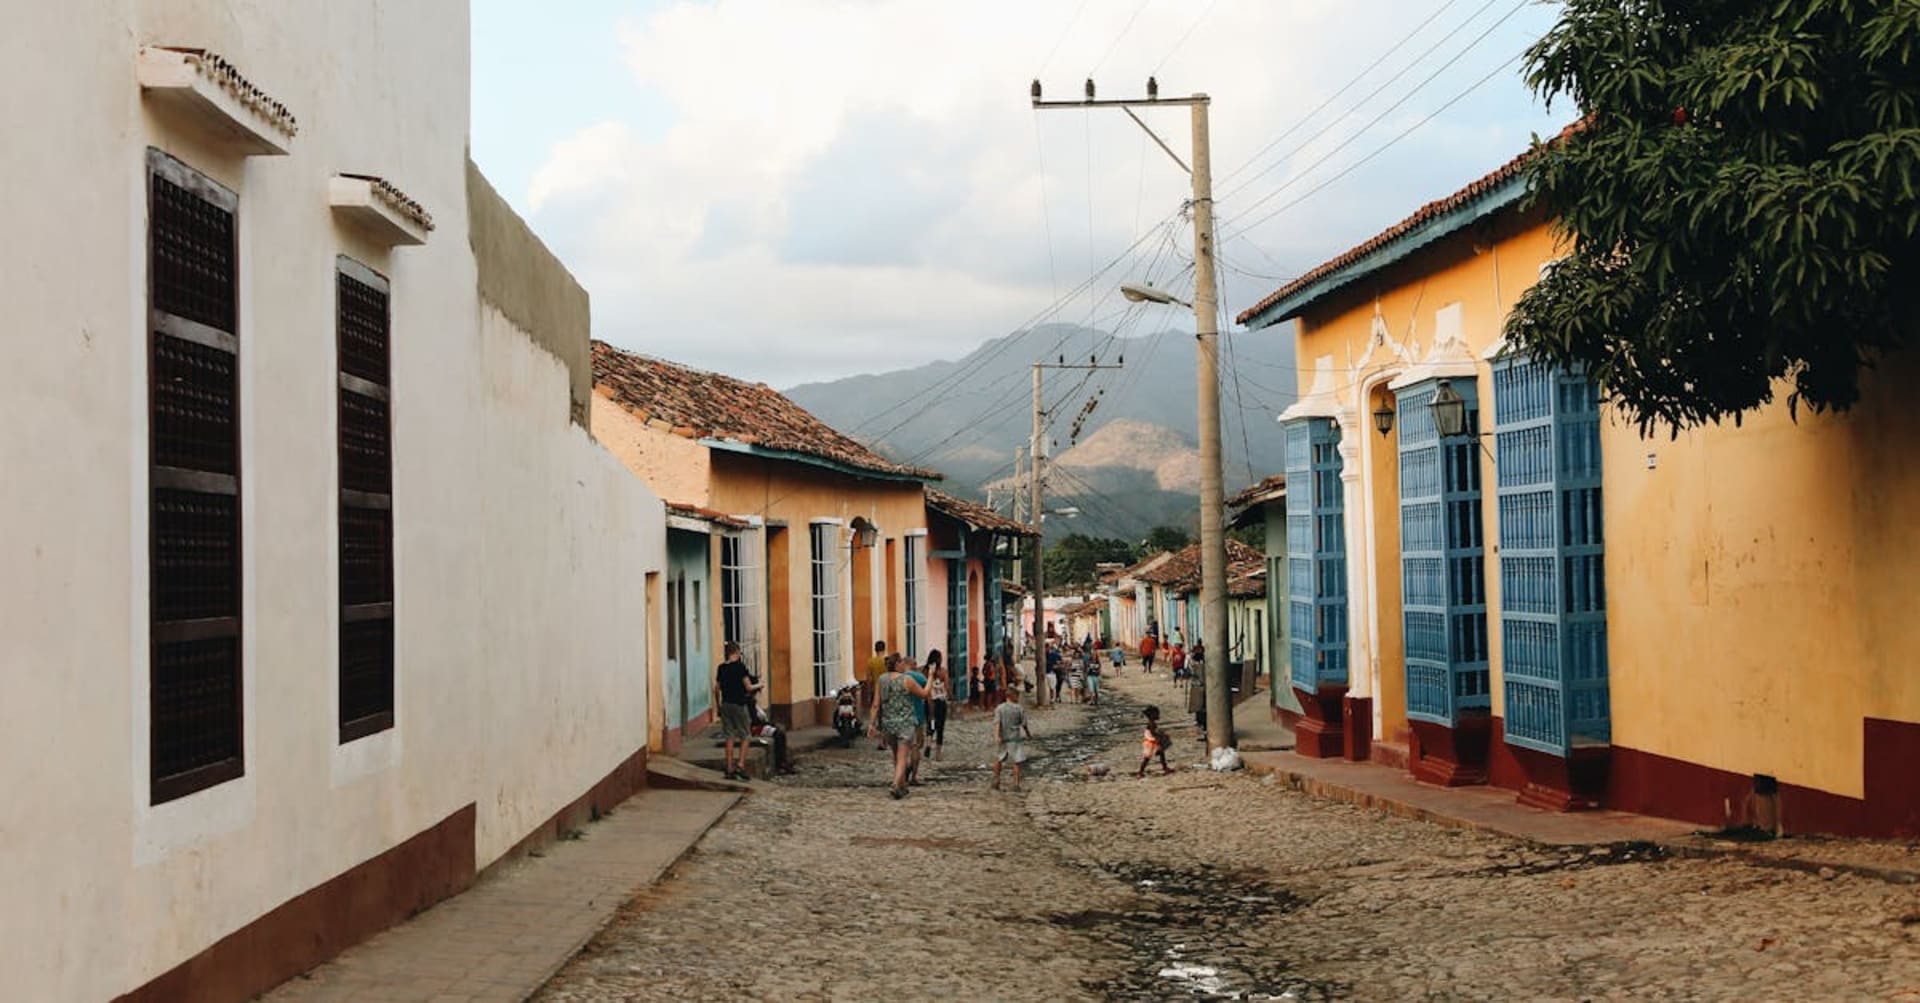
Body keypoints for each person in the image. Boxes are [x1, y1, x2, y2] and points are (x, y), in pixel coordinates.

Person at [868, 654, 933, 799]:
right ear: (897, 664)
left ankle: (902, 785)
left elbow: (875, 704)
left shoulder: (882, 680)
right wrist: (930, 677)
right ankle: (896, 784)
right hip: (905, 723)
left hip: (888, 724)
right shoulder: (907, 680)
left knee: (896, 756)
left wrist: (871, 724)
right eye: (902, 662)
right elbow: (924, 693)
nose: (904, 665)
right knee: (903, 757)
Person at [712, 642, 760, 781]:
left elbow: (716, 688)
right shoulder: (740, 667)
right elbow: (749, 687)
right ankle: (740, 765)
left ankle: (729, 767)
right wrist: (759, 685)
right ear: (737, 652)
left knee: (729, 736)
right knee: (745, 734)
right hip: (739, 704)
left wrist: (718, 705)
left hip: (726, 704)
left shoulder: (721, 668)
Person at [992, 685, 1032, 791]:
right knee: (1016, 761)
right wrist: (1028, 734)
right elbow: (1024, 724)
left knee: (999, 759)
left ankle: (996, 780)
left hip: (1003, 738)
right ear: (1014, 696)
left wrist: (996, 735)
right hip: (1014, 739)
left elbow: (997, 723)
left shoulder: (999, 708)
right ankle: (1016, 783)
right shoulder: (1019, 709)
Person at [925, 649, 951, 762]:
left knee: (931, 723)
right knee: (940, 727)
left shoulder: (925, 671)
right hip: (940, 702)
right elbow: (948, 686)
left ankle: (929, 744)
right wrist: (951, 696)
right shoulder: (943, 672)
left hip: (929, 701)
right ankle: (938, 754)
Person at [1136, 704, 1175, 777]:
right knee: (1147, 758)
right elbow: (1153, 732)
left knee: (1161, 754)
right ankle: (1140, 772)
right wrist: (1160, 735)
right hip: (1151, 742)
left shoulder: (1151, 722)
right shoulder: (1151, 723)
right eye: (1157, 714)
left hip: (1153, 741)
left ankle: (1165, 767)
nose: (1158, 715)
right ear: (1152, 715)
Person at [864, 640, 889, 749]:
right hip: (888, 691)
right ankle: (885, 740)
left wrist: (869, 693)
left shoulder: (871, 662)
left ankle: (881, 742)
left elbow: (869, 680)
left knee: (879, 717)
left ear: (875, 649)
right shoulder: (887, 661)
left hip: (876, 691)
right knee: (886, 716)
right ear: (884, 649)